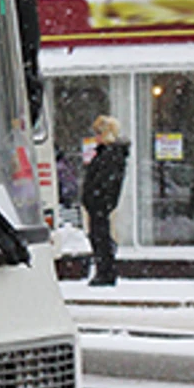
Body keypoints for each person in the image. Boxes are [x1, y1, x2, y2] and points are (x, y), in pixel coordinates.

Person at [82, 115, 128, 287]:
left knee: (100, 236)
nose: (96, 137)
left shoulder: (110, 155)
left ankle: (105, 271)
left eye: (99, 134)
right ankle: (105, 270)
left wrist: (96, 197)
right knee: (99, 236)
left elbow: (106, 181)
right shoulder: (108, 153)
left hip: (100, 204)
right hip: (99, 203)